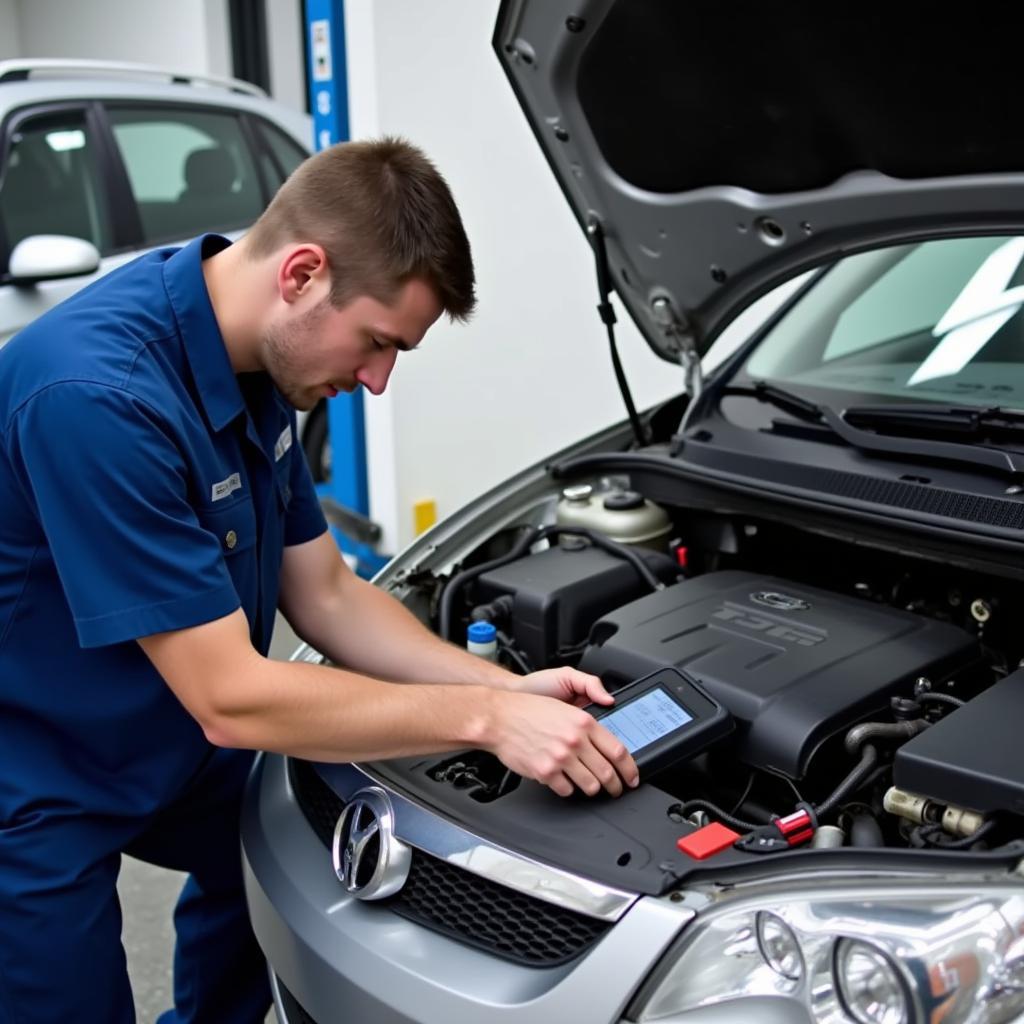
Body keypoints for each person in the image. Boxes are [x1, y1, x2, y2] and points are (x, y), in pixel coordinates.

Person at [0, 136, 638, 1023]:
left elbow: (328, 596)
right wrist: (490, 721)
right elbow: (232, 698)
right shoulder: (98, 397)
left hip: (168, 736)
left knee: (293, 852)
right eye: (377, 343)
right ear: (301, 273)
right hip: (37, 776)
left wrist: (505, 686)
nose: (376, 382)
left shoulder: (256, 360)